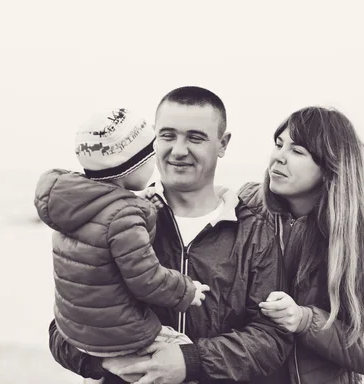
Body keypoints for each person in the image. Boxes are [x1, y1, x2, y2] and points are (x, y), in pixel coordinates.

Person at [46, 87, 292, 384]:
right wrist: (108, 362)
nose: (178, 150)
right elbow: (63, 331)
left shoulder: (253, 231)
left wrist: (190, 361)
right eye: (167, 135)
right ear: (152, 138)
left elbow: (271, 338)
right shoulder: (109, 222)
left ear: (223, 144)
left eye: (195, 137)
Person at [34, 109, 210, 382]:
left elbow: (106, 236)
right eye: (150, 156)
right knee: (183, 352)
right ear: (133, 166)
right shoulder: (124, 216)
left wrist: (141, 205)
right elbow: (147, 279)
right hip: (118, 332)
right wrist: (187, 290)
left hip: (76, 329)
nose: (155, 163)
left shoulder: (72, 208)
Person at [238, 106, 364, 384]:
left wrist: (303, 320)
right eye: (278, 144)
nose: (279, 157)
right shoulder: (244, 208)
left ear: (330, 169)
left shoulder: (363, 239)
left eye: (297, 152)